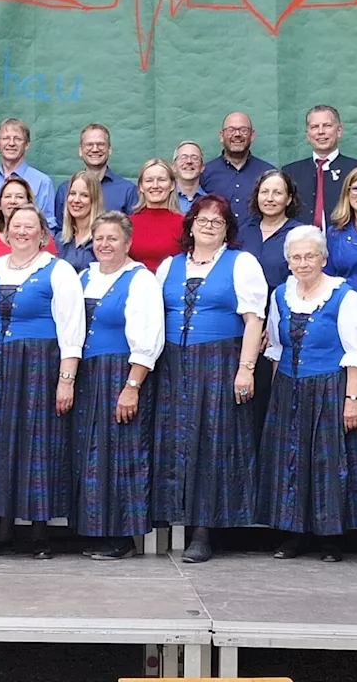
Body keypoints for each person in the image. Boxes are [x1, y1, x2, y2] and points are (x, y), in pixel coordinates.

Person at [153, 195, 267, 563]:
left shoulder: (241, 263)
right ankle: (169, 519)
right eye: (201, 220)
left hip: (218, 361)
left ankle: (204, 530)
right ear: (189, 225)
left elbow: (254, 320)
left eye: (216, 222)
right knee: (172, 440)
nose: (208, 226)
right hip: (171, 363)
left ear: (227, 229)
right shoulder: (168, 266)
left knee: (212, 441)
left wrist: (245, 368)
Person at [0, 204, 84, 559]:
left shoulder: (58, 271)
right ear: (6, 232)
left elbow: (72, 329)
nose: (22, 232)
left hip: (38, 366)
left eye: (29, 227)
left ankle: (39, 533)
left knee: (37, 443)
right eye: (16, 226)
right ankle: (2, 530)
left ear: (42, 234)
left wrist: (66, 379)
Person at [257, 226, 357, 562]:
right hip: (289, 388)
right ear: (288, 262)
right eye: (296, 257)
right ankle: (294, 533)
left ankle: (331, 539)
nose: (303, 263)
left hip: (329, 388)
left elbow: (356, 353)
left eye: (310, 256)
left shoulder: (344, 296)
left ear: (323, 258)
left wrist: (352, 400)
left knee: (327, 462)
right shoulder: (280, 295)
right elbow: (277, 348)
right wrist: (279, 395)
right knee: (290, 461)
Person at [72, 211, 163, 560]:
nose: (105, 245)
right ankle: (94, 529)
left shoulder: (140, 280)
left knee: (122, 452)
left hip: (121, 371)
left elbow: (149, 337)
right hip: (87, 373)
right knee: (92, 453)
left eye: (113, 239)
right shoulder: (84, 277)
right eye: (99, 238)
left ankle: (122, 536)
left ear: (127, 243)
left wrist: (132, 385)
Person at [234, 169, 304, 442]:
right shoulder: (242, 231)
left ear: (288, 198)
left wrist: (271, 326)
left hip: (280, 327)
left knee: (270, 400)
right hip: (241, 326)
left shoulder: (298, 233)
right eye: (265, 191)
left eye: (277, 192)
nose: (270, 198)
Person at [283, 105, 357, 231]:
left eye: (327, 125)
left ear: (339, 131)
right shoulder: (290, 172)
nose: (321, 131)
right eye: (314, 127)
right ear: (308, 135)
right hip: (302, 246)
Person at [0, 178, 58, 282]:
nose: (13, 201)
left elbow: (54, 275)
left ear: (29, 203)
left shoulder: (43, 239)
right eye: (7, 196)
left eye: (19, 197)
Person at [0, 118, 57, 231]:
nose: (11, 143)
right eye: (6, 138)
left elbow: (48, 227)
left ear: (27, 144)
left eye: (18, 139)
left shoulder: (42, 182)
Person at [200, 112, 274, 223]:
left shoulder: (268, 174)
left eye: (243, 130)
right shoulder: (205, 173)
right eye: (231, 130)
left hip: (257, 239)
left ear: (252, 135)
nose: (237, 134)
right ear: (221, 136)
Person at [53, 124, 137, 216]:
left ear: (109, 149)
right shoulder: (65, 190)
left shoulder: (127, 190)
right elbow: (60, 229)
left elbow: (133, 228)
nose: (95, 149)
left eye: (101, 144)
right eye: (89, 144)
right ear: (80, 150)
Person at [128, 158, 184, 273]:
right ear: (141, 187)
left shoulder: (184, 224)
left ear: (172, 185)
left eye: (161, 180)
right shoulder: (127, 224)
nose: (155, 185)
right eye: (149, 180)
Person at [55, 170, 105, 271]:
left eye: (84, 195)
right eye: (72, 193)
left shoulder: (103, 240)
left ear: (94, 200)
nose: (76, 200)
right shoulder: (60, 239)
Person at [171, 140, 208, 213]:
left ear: (202, 167)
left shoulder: (209, 202)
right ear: (173, 167)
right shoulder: (164, 200)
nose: (189, 161)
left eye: (195, 158)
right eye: (183, 157)